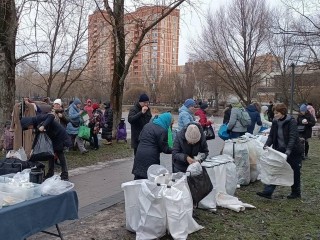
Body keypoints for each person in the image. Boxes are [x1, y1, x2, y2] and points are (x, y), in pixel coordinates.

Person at [257, 103, 303, 199]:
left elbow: (292, 137)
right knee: (275, 169)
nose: (275, 115)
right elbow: (271, 135)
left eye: (277, 113)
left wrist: (288, 151)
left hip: (294, 151)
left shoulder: (291, 122)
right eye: (274, 113)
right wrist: (267, 145)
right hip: (280, 150)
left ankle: (296, 193)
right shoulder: (275, 122)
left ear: (283, 112)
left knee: (295, 171)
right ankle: (268, 192)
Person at [20, 113, 72, 180]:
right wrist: (32, 149)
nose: (30, 128)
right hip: (53, 138)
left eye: (28, 126)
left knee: (60, 154)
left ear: (29, 122)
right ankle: (50, 173)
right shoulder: (36, 125)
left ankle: (65, 174)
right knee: (50, 155)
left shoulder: (39, 117)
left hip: (59, 136)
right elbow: (37, 137)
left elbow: (51, 116)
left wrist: (43, 126)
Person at [132, 112, 173, 179]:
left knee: (138, 177)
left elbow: (139, 138)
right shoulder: (162, 131)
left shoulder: (147, 125)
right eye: (171, 123)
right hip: (151, 157)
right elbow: (164, 148)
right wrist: (175, 149)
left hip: (139, 154)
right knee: (149, 178)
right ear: (167, 121)